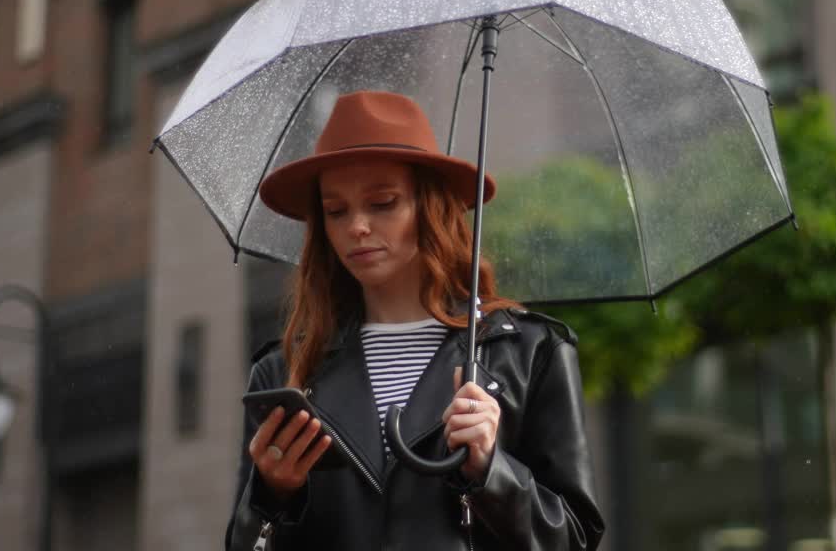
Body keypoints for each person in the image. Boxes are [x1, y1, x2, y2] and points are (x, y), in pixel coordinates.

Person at [225, 90, 606, 550]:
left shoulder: (529, 353)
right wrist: (271, 495)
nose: (357, 226)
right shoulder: (285, 369)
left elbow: (574, 539)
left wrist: (491, 470)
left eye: (383, 203)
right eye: (335, 211)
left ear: (431, 208)